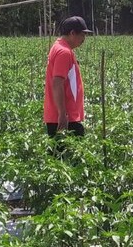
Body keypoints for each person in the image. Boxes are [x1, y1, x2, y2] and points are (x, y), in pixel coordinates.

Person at [43, 16, 91, 148]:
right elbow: (57, 83)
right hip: (65, 118)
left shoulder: (58, 46)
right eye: (82, 35)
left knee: (58, 158)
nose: (83, 39)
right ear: (72, 33)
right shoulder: (64, 52)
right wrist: (62, 114)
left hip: (63, 115)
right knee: (72, 159)